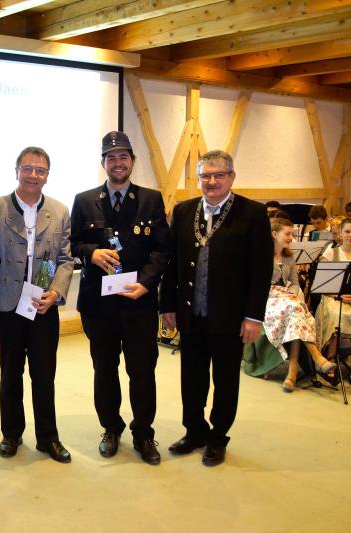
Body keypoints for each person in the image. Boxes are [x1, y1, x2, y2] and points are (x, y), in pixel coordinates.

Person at [161, 149, 272, 467]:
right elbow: (172, 264)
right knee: (191, 378)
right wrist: (167, 305)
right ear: (198, 179)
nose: (211, 181)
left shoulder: (253, 213)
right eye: (205, 176)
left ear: (231, 177)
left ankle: (218, 437)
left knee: (225, 381)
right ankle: (194, 431)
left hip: (230, 317)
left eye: (219, 175)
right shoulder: (183, 211)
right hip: (190, 314)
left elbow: (261, 270)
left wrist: (253, 316)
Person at [70, 131, 171, 465]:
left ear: (132, 161)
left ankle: (143, 433)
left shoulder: (151, 199)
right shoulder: (84, 200)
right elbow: (73, 244)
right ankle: (110, 429)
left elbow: (162, 249)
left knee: (142, 371)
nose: (117, 163)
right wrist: (91, 253)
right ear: (103, 162)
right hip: (99, 306)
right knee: (104, 370)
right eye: (111, 157)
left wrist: (146, 283)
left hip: (138, 303)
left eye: (123, 157)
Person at [0, 147, 74, 463]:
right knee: (10, 372)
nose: (33, 175)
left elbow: (65, 258)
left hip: (42, 303)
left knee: (44, 375)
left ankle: (48, 438)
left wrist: (56, 292)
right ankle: (11, 434)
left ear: (47, 175)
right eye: (27, 168)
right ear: (16, 170)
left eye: (40, 170)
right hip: (6, 304)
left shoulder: (59, 211)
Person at [248, 218, 337, 391]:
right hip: (266, 299)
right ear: (274, 234)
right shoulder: (261, 255)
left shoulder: (289, 256)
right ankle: (316, 358)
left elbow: (295, 282)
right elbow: (255, 284)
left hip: (287, 299)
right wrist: (283, 295)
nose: (291, 237)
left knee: (295, 312)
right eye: (287, 234)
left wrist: (293, 294)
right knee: (297, 310)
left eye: (292, 233)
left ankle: (292, 372)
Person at [315, 217, 351, 362]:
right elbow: (323, 286)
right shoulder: (331, 253)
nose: (350, 235)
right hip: (332, 297)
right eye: (347, 231)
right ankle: (330, 359)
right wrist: (340, 295)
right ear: (341, 233)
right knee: (337, 315)